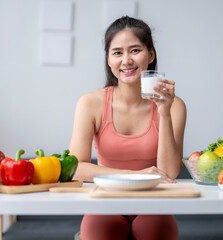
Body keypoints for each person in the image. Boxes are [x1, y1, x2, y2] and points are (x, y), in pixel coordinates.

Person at [69, 16, 186, 240]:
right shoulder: (89, 104)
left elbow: (170, 171)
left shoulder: (175, 105)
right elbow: (76, 168)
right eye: (117, 53)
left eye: (134, 50)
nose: (126, 61)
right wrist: (134, 176)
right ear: (108, 59)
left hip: (153, 201)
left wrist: (164, 112)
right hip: (106, 200)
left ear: (150, 55)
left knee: (155, 231)